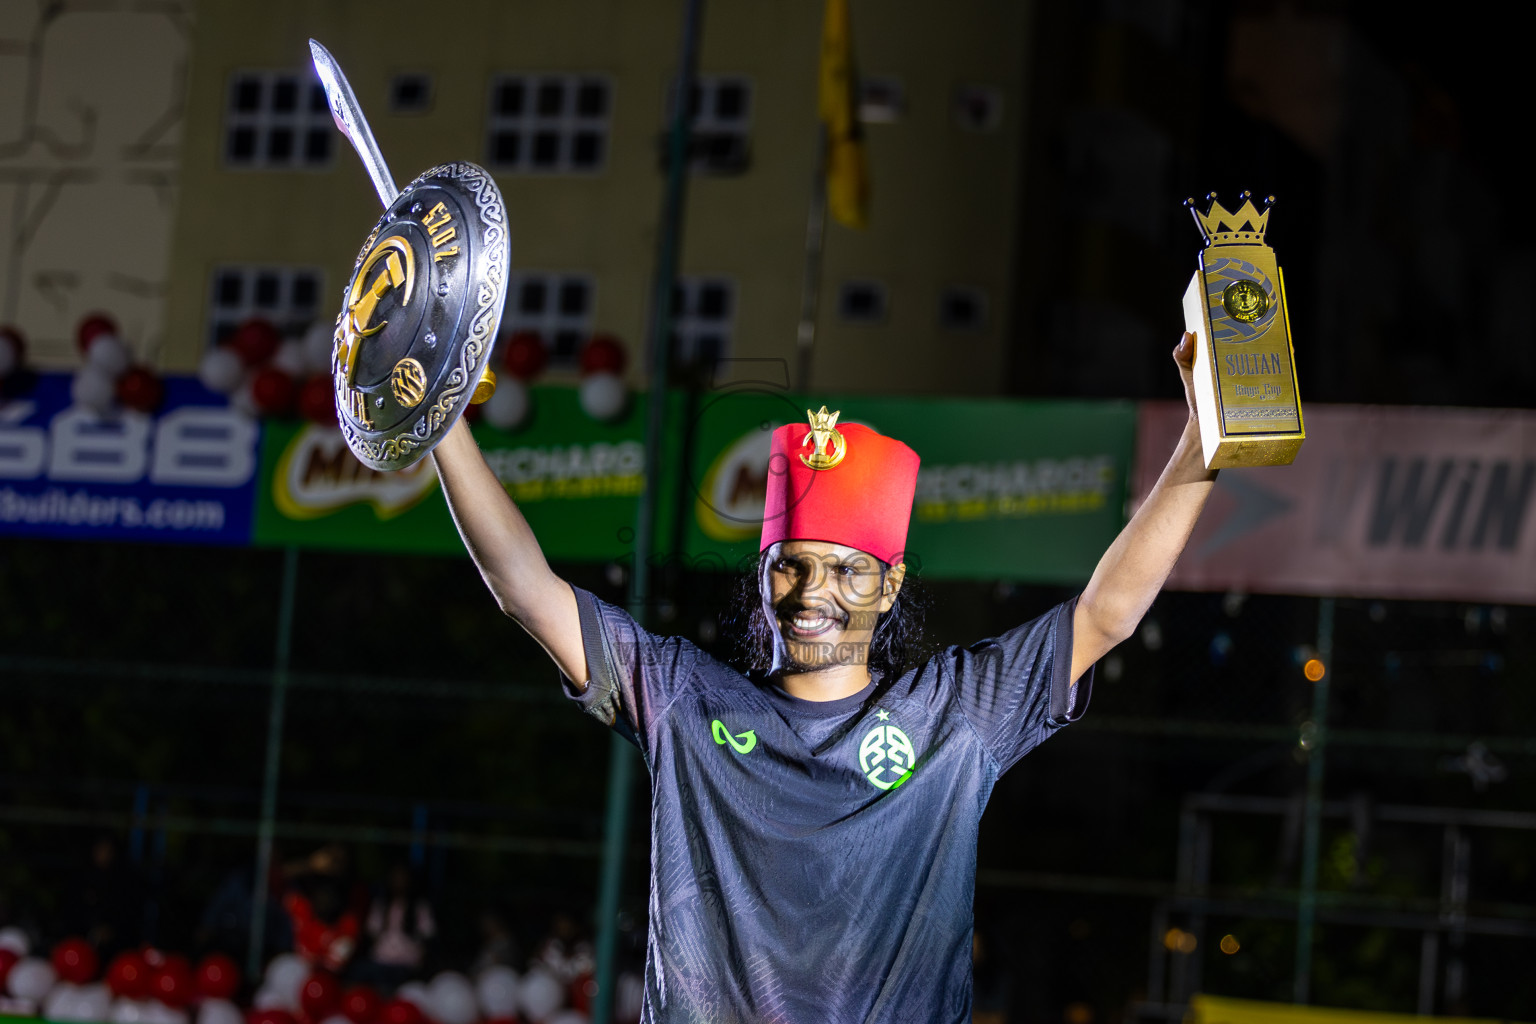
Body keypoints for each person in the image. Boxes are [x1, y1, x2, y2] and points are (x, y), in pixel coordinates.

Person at [429, 334, 1218, 1023]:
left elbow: (1106, 614)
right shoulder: (683, 699)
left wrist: (1200, 443)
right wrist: (441, 420)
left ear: (891, 583)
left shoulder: (956, 716)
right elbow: (524, 588)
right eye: (792, 567)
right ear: (764, 574)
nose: (814, 594)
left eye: (847, 570)